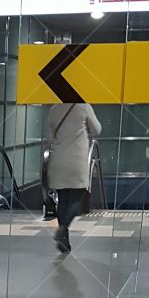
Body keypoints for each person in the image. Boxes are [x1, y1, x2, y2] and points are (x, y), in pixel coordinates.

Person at [47, 101, 101, 253]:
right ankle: (63, 229)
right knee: (78, 198)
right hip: (77, 159)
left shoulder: (54, 109)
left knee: (63, 200)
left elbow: (50, 136)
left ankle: (64, 242)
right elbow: (97, 129)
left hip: (58, 159)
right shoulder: (83, 107)